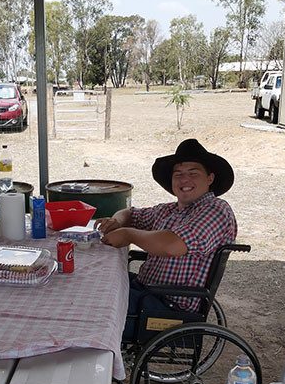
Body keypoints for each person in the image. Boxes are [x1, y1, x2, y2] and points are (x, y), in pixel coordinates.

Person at [94, 139, 237, 341]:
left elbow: (173, 245)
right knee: (93, 282)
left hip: (169, 306)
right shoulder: (171, 210)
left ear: (210, 178)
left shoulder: (216, 209)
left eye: (193, 173)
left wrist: (128, 234)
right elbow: (131, 214)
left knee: (92, 305)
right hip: (147, 291)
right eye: (178, 174)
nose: (184, 180)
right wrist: (116, 221)